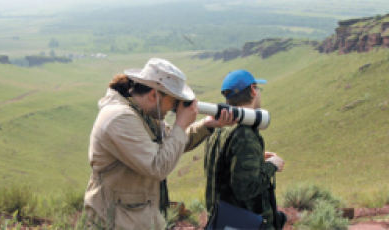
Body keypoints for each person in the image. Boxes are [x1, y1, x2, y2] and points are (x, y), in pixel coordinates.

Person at [84, 58, 234, 230]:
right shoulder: (119, 118)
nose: (174, 108)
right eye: (173, 101)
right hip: (113, 221)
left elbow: (172, 144)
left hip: (134, 219)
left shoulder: (143, 113)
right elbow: (158, 166)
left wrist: (207, 125)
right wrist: (181, 123)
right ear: (154, 95)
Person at [204, 70, 286, 230]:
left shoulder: (219, 128)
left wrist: (257, 158)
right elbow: (246, 189)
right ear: (254, 90)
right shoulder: (245, 133)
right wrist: (272, 165)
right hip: (245, 223)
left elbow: (224, 166)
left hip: (222, 220)